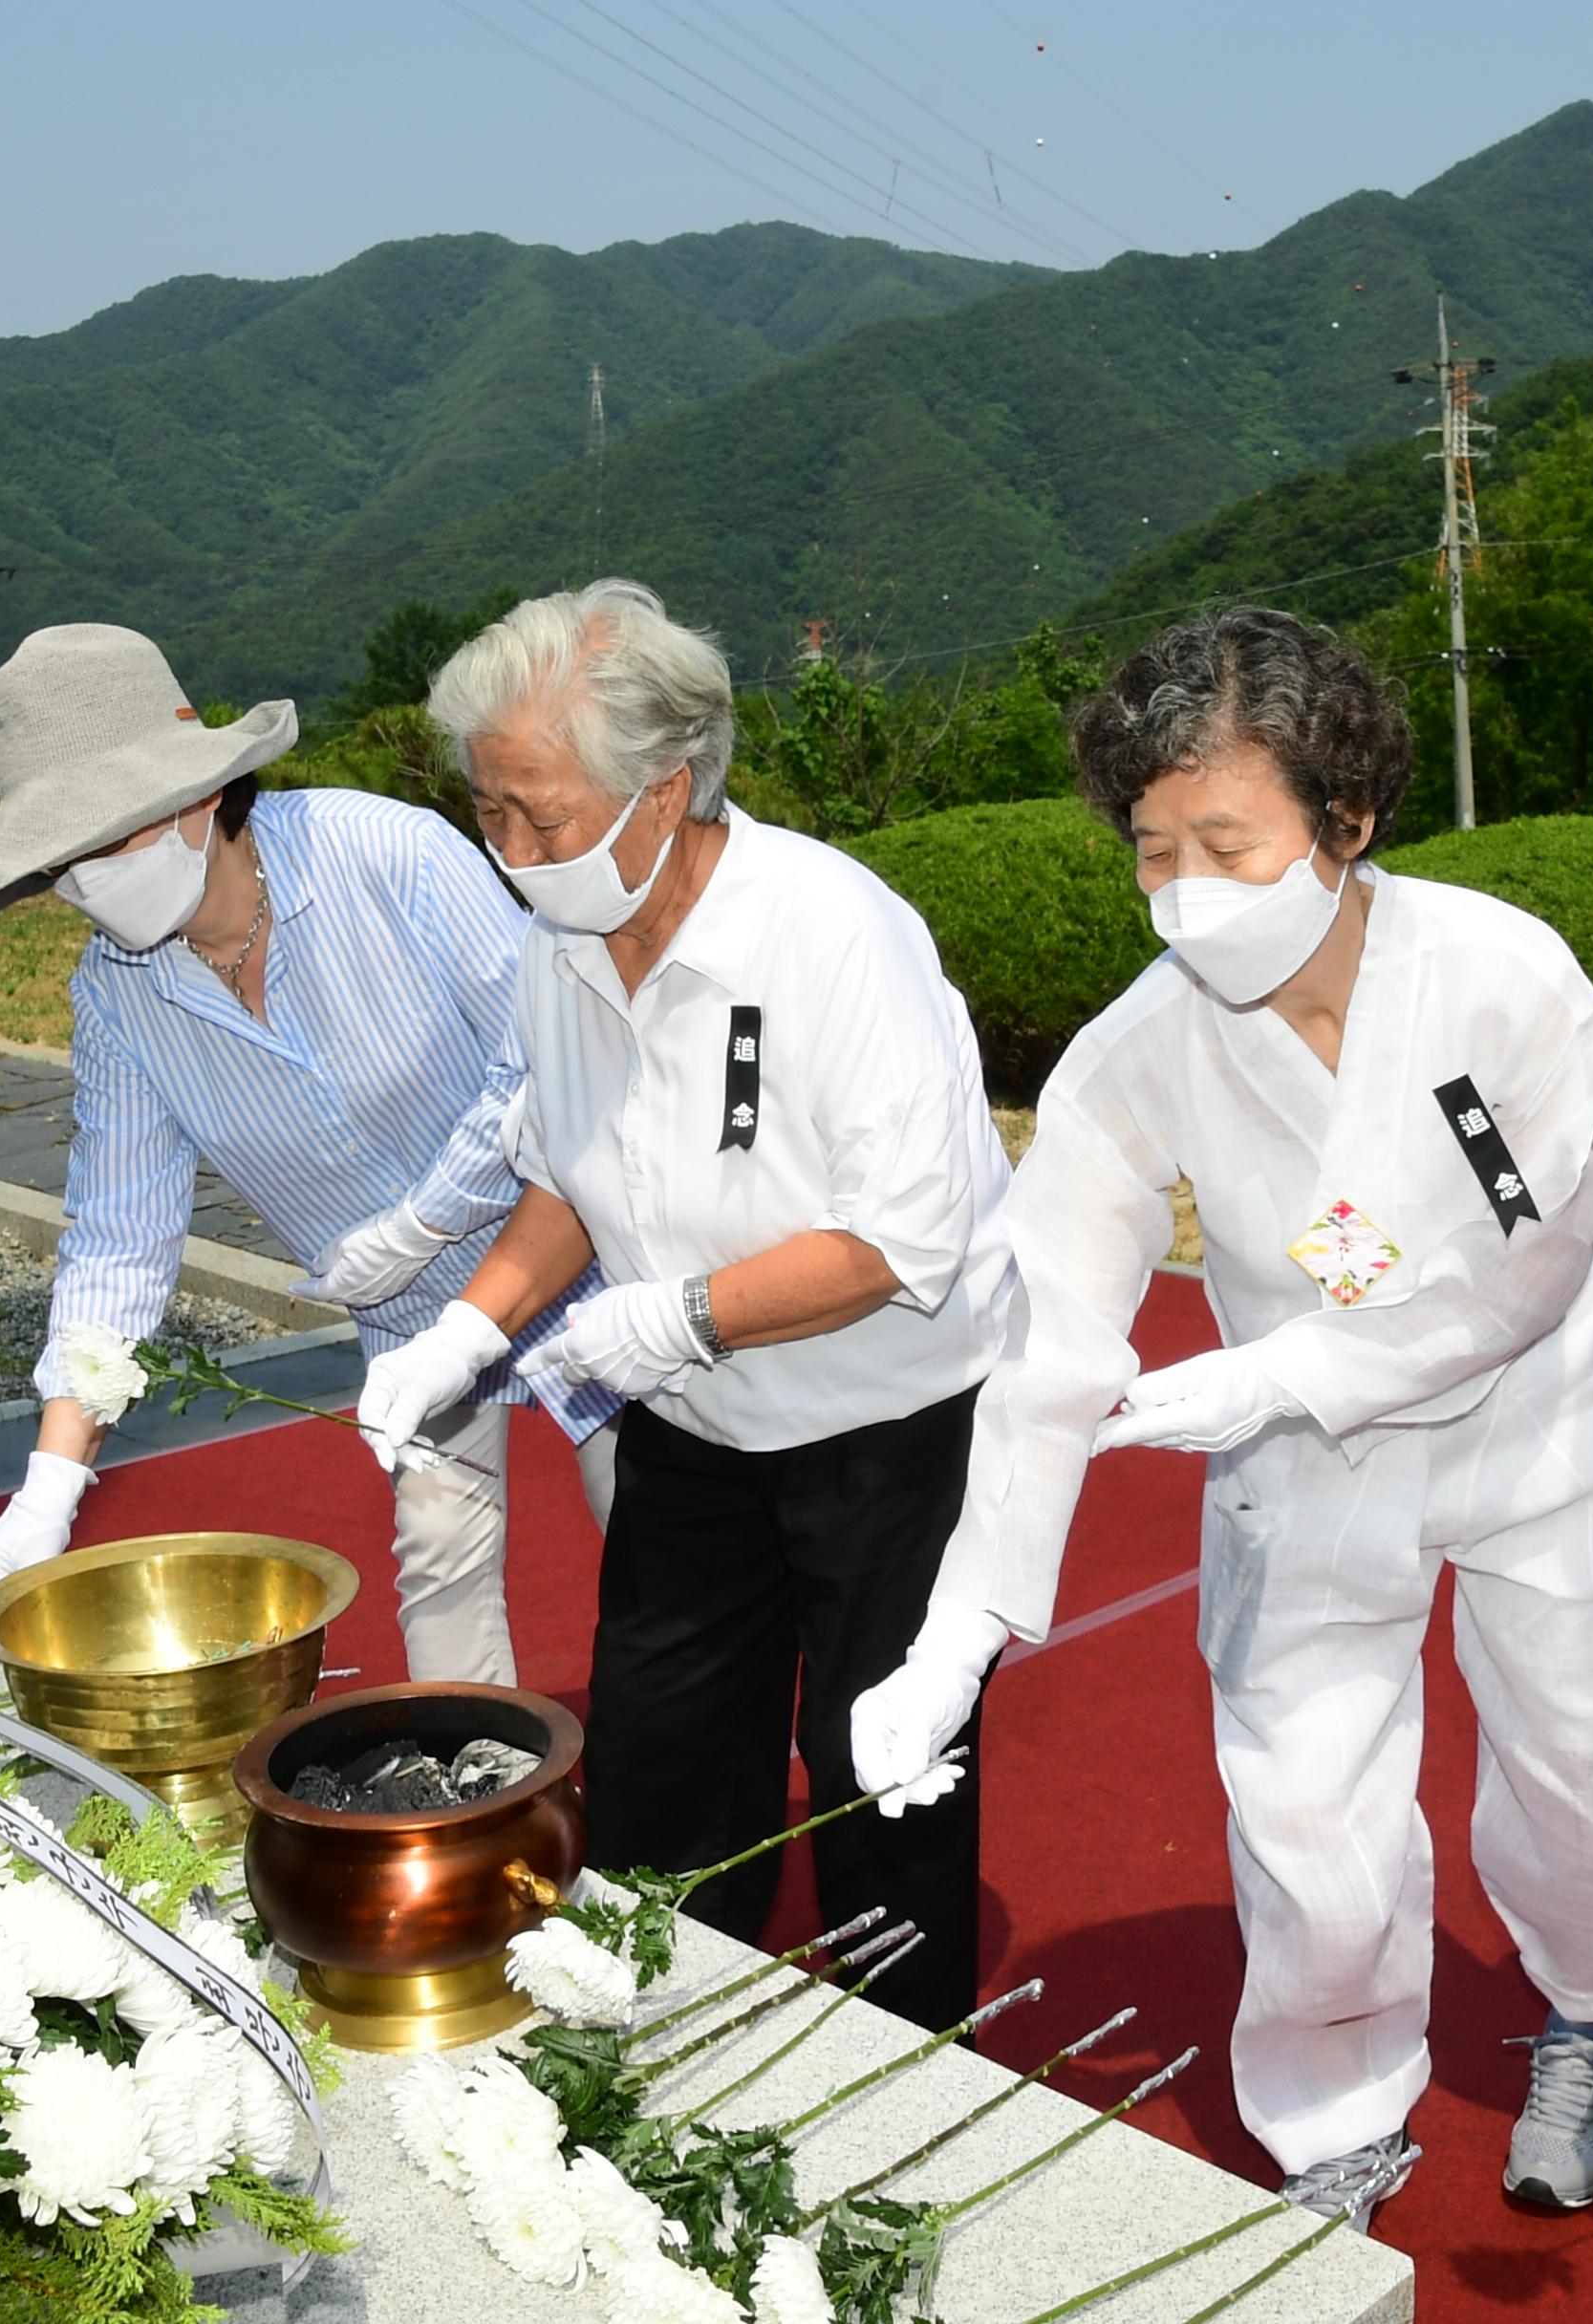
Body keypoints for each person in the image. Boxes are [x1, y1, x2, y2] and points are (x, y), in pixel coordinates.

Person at [849, 611, 1593, 2232]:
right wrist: (954, 1635)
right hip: (1298, 1454)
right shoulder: (1137, 1050)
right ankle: (1334, 2109)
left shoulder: (1505, 977)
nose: (1185, 891)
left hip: (1541, 1414)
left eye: (1226, 843)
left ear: (1345, 818)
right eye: (1152, 850)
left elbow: (1520, 1280)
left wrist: (1271, 1374)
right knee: (1304, 1801)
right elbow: (1048, 1336)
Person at [353, 580, 1013, 2029]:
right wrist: (464, 1331)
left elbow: (908, 1237)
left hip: (883, 1426)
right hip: (693, 1429)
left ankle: (906, 2056)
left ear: (665, 788)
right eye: (489, 813)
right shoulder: (560, 944)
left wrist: (676, 1317)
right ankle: (663, 2031)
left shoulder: (835, 934)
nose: (514, 851)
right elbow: (566, 1180)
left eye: (541, 812)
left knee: (878, 1769)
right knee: (660, 1754)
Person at [0, 623, 615, 1681]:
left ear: (195, 797)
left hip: (581, 1249)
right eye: (58, 864)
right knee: (440, 1564)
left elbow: (554, 1063)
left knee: (661, 1527)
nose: (83, 884)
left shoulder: (383, 855)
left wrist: (429, 1217)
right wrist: (49, 1484)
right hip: (407, 1328)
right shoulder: (119, 998)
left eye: (102, 842)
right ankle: (482, 1802)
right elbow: (120, 1240)